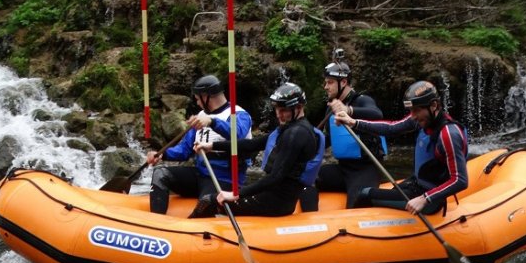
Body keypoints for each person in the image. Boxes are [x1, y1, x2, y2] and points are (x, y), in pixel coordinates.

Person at [334, 80, 468, 215]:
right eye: (411, 111)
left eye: (416, 111)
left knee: (365, 194)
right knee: (389, 194)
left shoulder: (449, 135)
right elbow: (391, 128)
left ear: (433, 105)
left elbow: (460, 180)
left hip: (430, 200)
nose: (413, 116)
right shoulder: (422, 120)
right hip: (416, 185)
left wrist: (424, 199)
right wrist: (353, 122)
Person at [193, 82, 325, 217]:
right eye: (277, 109)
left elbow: (275, 177)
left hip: (276, 203)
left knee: (209, 201)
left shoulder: (296, 134)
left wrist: (237, 194)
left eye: (283, 110)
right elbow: (252, 144)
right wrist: (212, 146)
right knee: (214, 198)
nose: (279, 115)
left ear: (299, 107)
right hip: (271, 195)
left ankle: (189, 231)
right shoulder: (288, 128)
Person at [147, 74, 252, 216]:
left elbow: (237, 133)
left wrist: (212, 122)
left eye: (197, 99)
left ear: (206, 96)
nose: (197, 103)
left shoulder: (239, 115)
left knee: (206, 202)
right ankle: (155, 221)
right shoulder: (200, 116)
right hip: (200, 175)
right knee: (161, 174)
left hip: (224, 180)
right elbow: (184, 150)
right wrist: (162, 154)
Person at [301, 59, 387, 210]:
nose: (325, 87)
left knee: (357, 204)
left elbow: (377, 114)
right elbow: (327, 140)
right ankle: (311, 220)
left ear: (344, 82)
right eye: (325, 82)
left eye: (330, 82)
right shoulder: (330, 109)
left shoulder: (362, 101)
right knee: (305, 178)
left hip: (365, 169)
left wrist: (349, 111)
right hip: (343, 169)